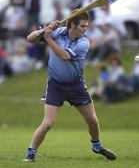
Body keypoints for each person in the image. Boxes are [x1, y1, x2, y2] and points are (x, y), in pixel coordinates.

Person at [24, 10, 117, 162]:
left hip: (76, 86)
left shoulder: (84, 42)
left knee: (92, 121)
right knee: (47, 123)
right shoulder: (58, 32)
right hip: (55, 85)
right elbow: (30, 39)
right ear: (72, 24)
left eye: (86, 26)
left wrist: (48, 38)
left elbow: (65, 56)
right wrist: (45, 30)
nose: (85, 28)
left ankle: (97, 146)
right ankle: (31, 152)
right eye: (82, 26)